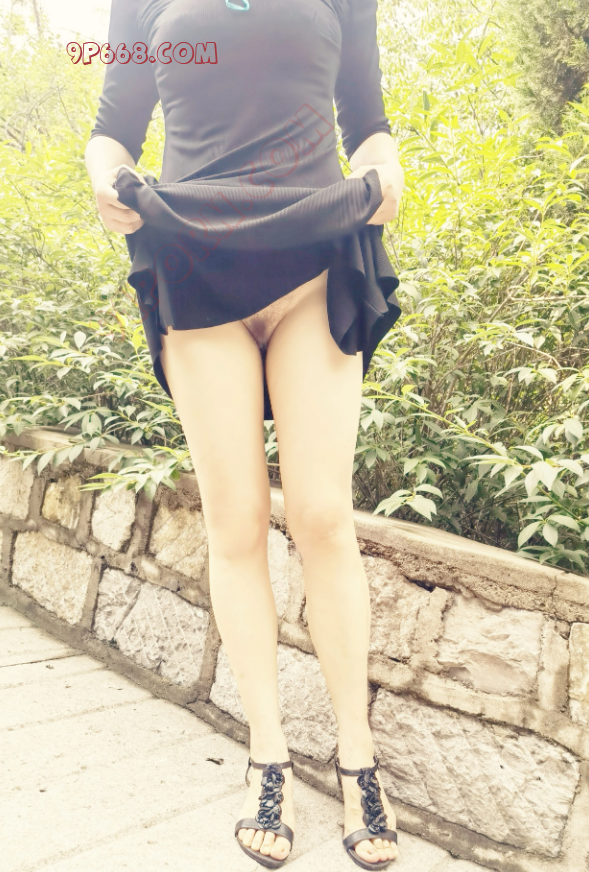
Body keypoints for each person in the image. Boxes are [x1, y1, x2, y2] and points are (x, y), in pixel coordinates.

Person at [85, 0, 404, 867]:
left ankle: (357, 757)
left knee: (323, 518)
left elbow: (366, 119)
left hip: (315, 256)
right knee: (234, 523)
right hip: (195, 260)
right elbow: (113, 127)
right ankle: (267, 756)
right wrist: (105, 178)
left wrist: (386, 169)